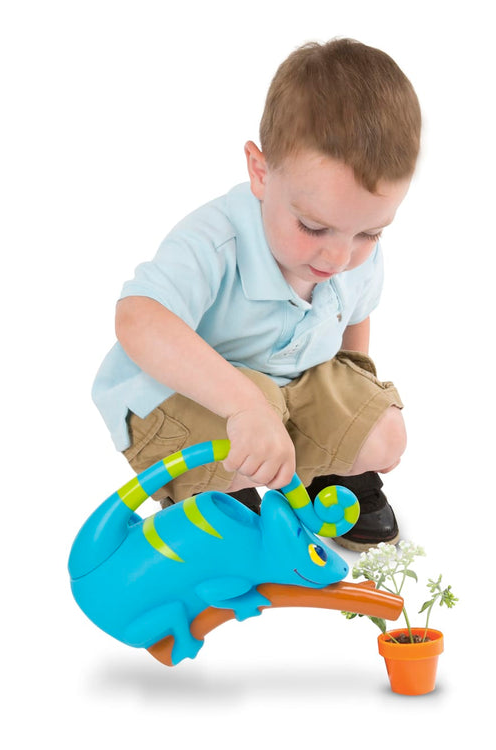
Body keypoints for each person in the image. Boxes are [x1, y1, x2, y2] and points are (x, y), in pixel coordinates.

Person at [92, 38, 421, 551]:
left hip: (284, 390)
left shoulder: (350, 249)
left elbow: (354, 325)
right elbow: (138, 318)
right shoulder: (215, 239)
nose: (339, 258)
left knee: (384, 430)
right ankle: (225, 496)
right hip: (180, 400)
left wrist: (351, 402)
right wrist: (245, 406)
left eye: (369, 233)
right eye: (314, 227)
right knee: (259, 406)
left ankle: (314, 473)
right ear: (261, 172)